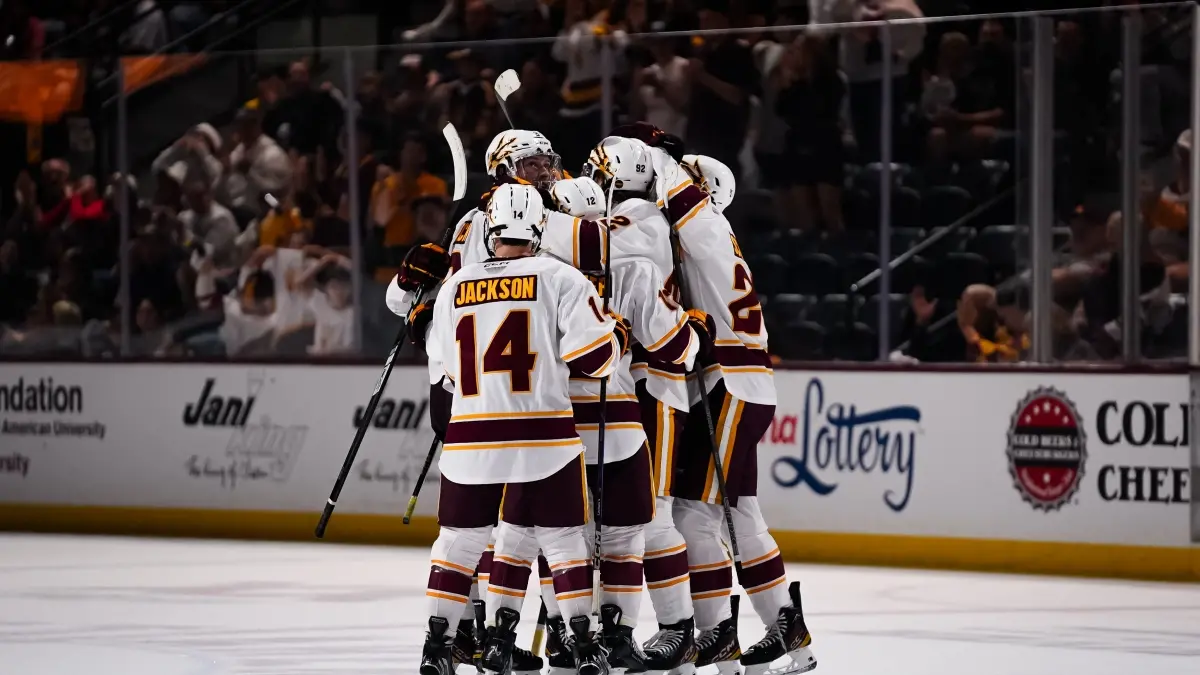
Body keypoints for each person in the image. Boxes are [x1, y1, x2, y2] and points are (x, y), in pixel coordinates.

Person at [614, 124, 818, 675]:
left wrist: (653, 152)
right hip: (738, 381)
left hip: (727, 380)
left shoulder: (706, 224)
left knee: (695, 516)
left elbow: (677, 194)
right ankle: (788, 631)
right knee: (740, 513)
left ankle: (713, 635)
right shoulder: (709, 239)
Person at [416, 183, 626, 675]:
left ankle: (437, 647)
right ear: (539, 228)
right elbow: (594, 362)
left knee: (457, 544)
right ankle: (582, 644)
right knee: (562, 541)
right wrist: (615, 333)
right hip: (543, 436)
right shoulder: (561, 276)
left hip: (471, 437)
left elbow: (445, 369)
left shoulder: (454, 286)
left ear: (490, 232)